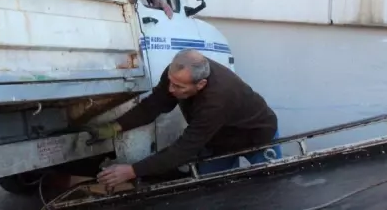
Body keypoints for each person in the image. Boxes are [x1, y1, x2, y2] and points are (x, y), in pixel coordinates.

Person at [89, 49, 281, 188]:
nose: (172, 90)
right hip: (217, 141)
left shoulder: (217, 99)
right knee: (210, 192)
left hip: (255, 135)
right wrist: (115, 127)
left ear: (201, 84)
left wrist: (132, 171)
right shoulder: (175, 74)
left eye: (179, 87)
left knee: (271, 187)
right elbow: (153, 105)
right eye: (171, 82)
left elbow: (185, 149)